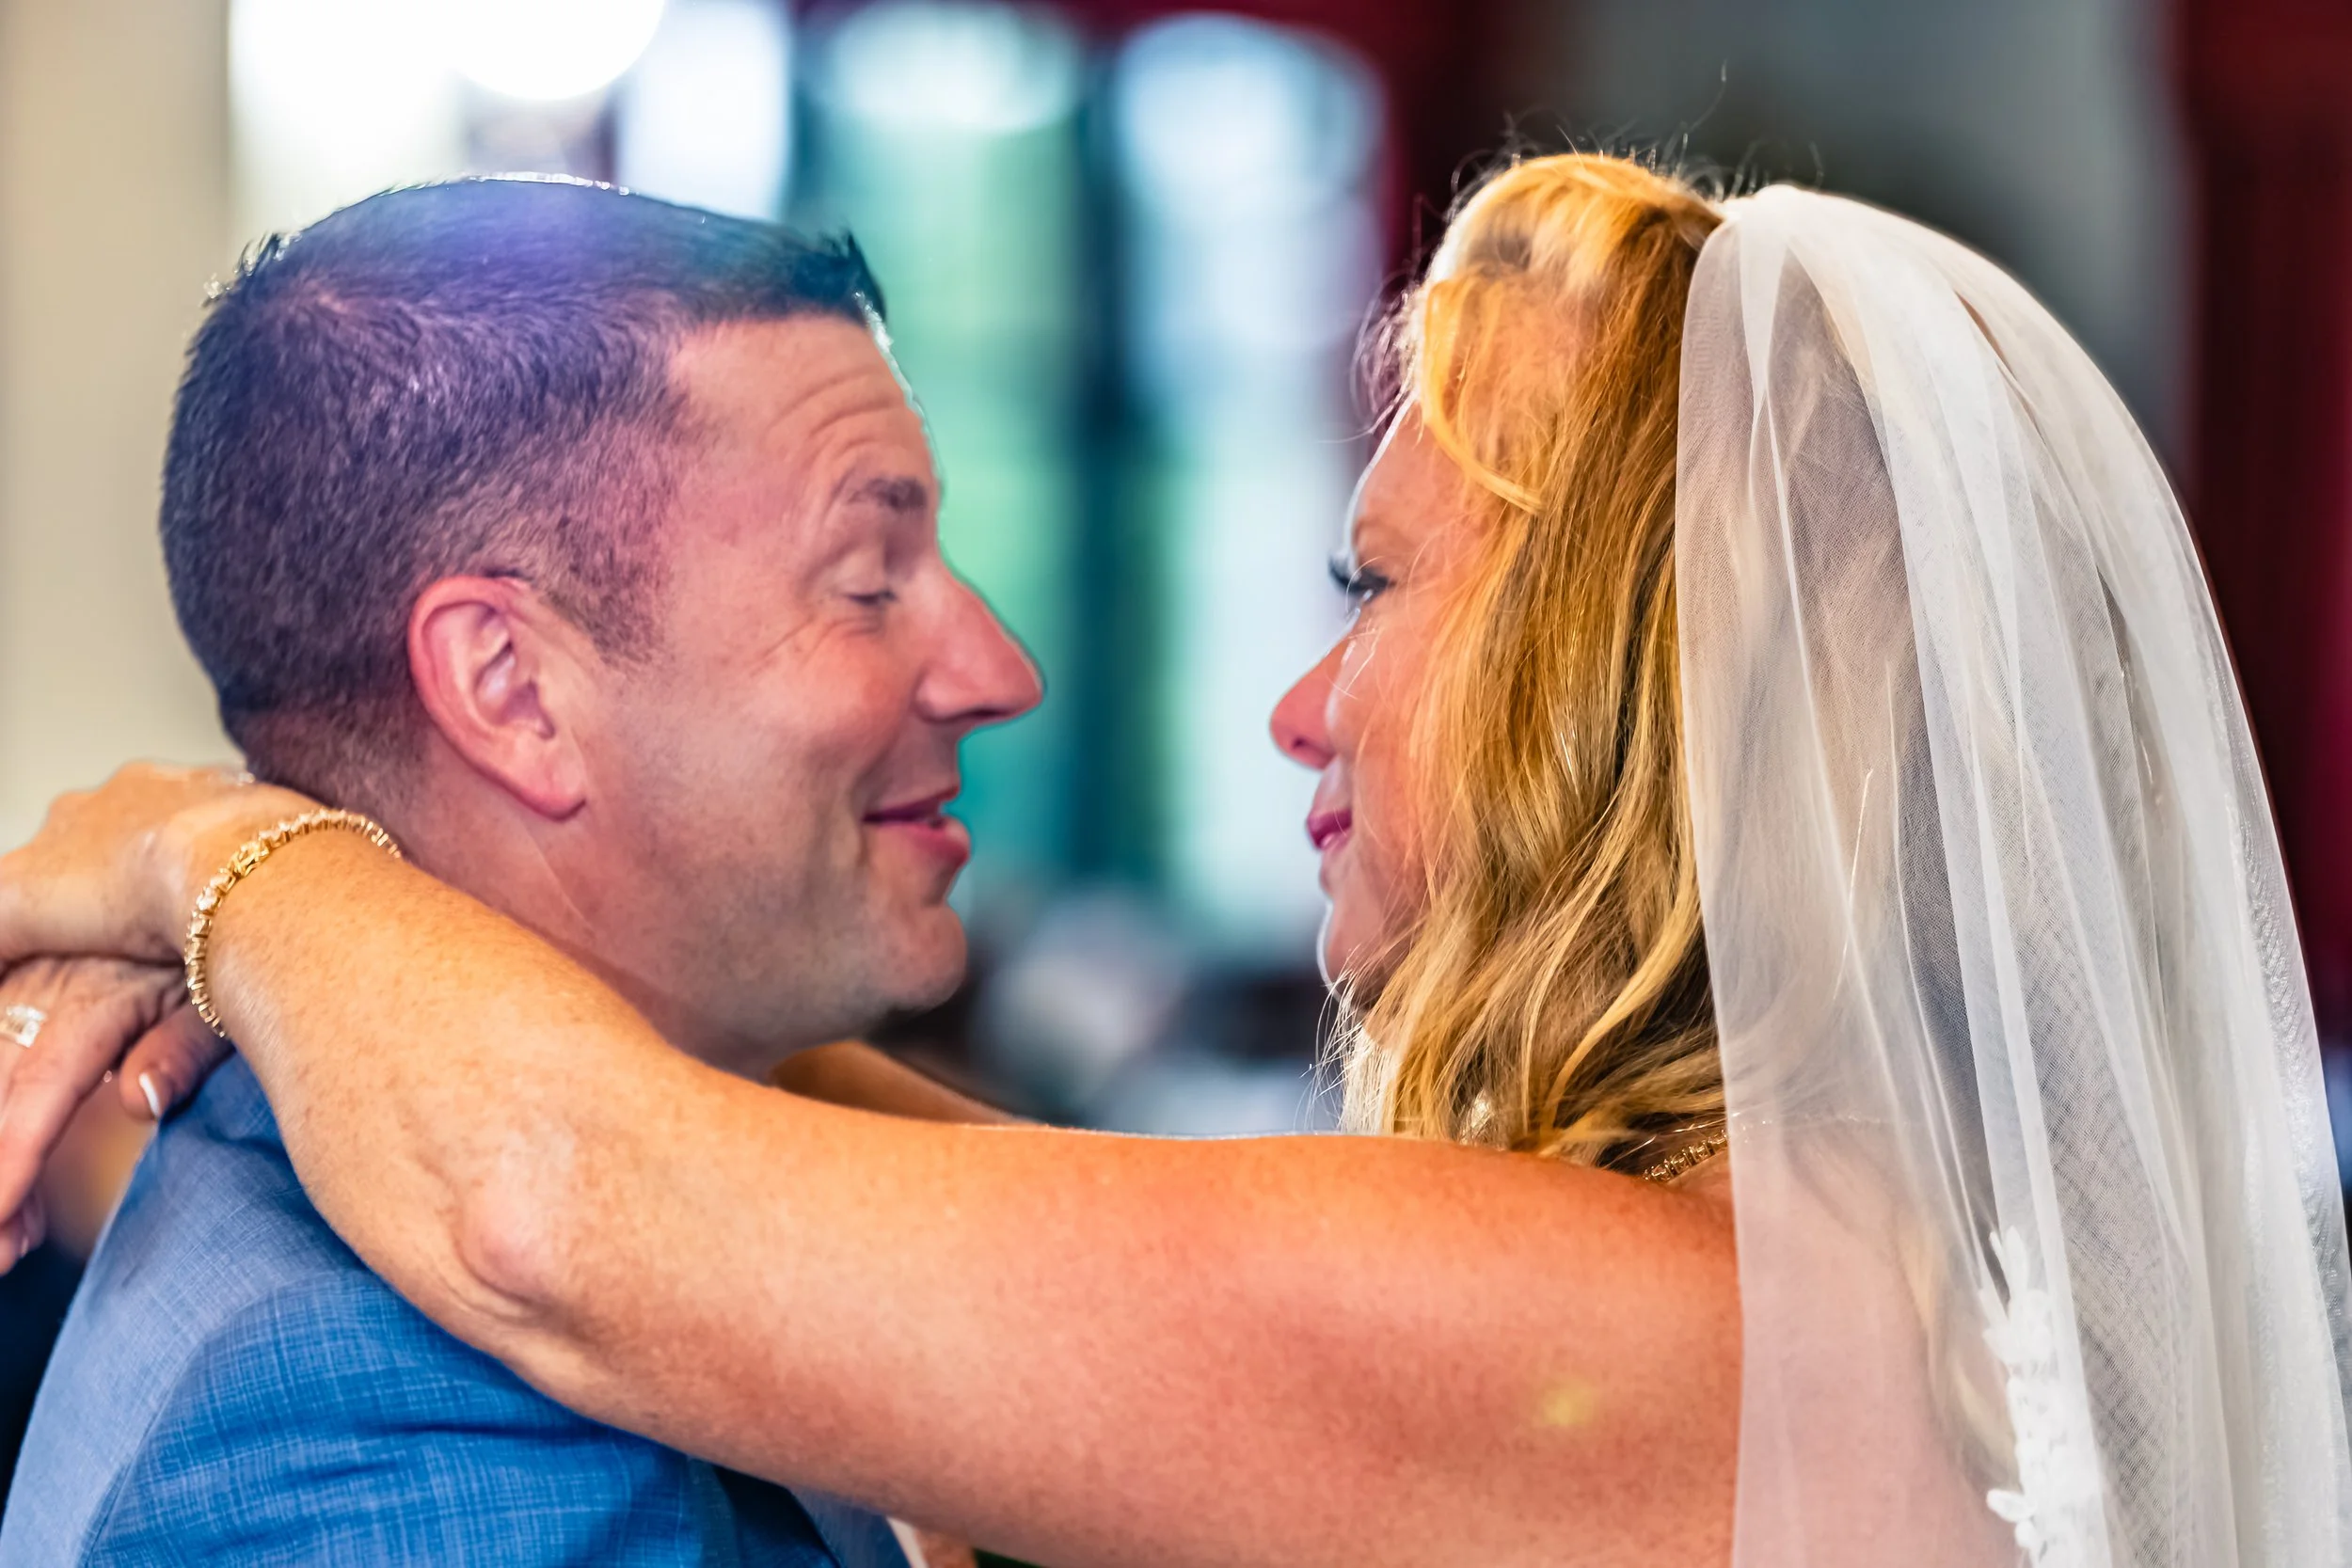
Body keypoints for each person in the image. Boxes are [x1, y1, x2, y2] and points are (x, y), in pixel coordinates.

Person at [0, 152, 2346, 1567]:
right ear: (509, 687)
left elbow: (575, 1199)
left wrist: (207, 851)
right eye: (864, 572)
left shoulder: (1667, 1323)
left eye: (1377, 590)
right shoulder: (350, 1426)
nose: (1297, 702)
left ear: (1609, 692)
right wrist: (308, 962)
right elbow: (915, 1189)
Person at [0, 176, 1043, 1567]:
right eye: (866, 580)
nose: (999, 673)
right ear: (513, 689)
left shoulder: (676, 1188)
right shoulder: (393, 1424)